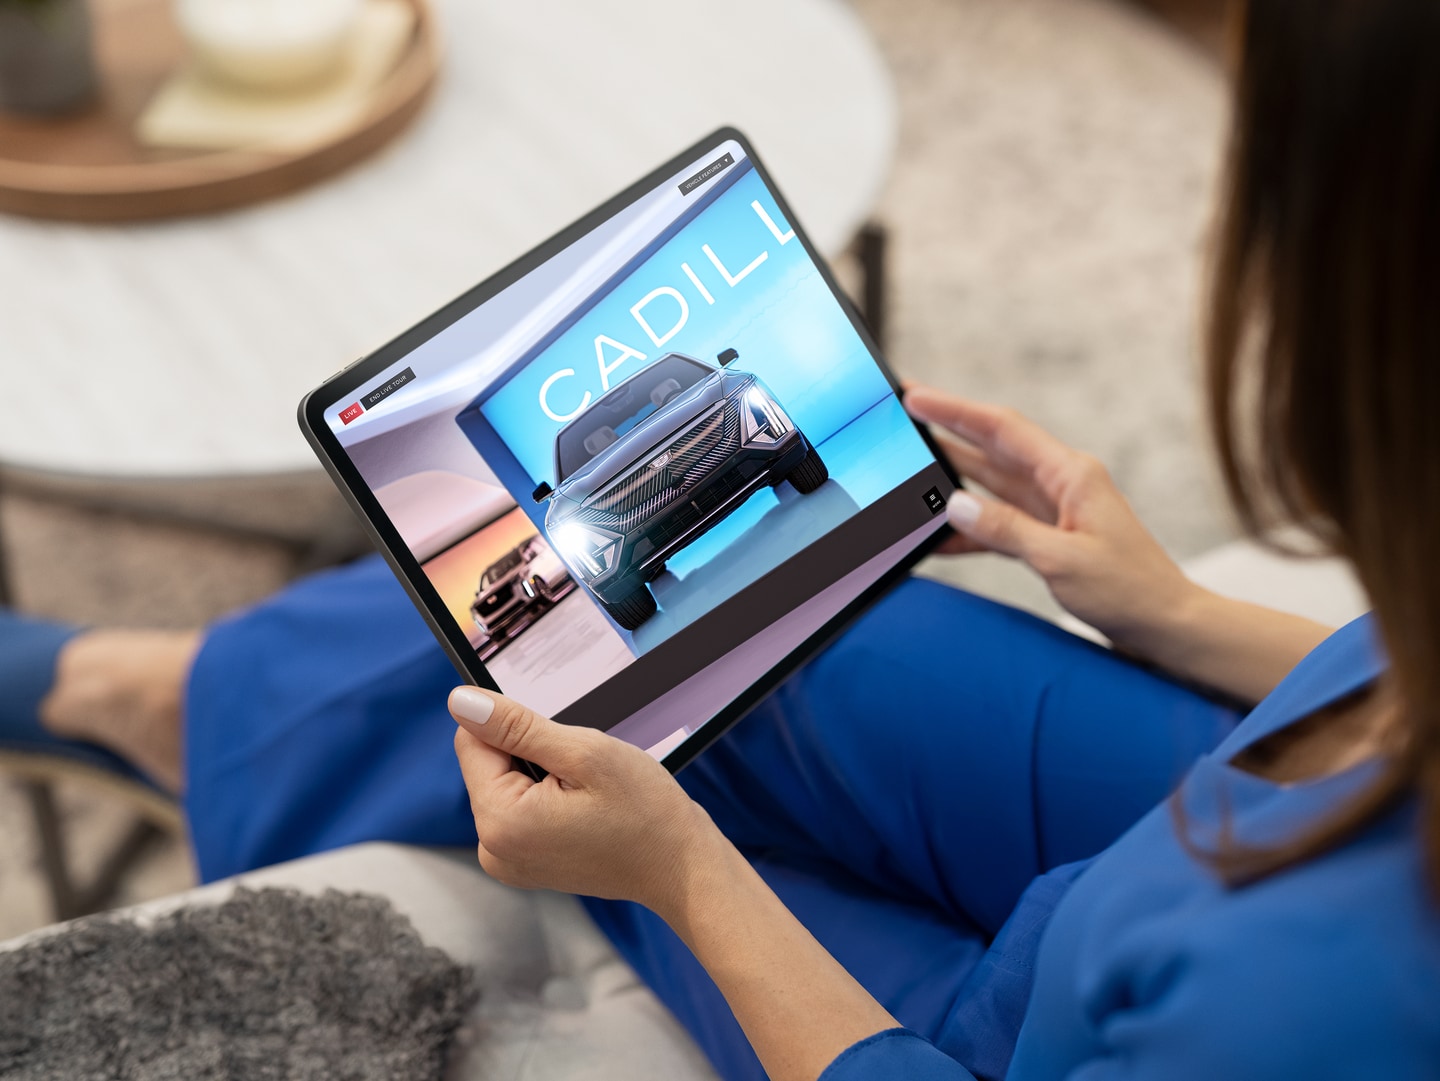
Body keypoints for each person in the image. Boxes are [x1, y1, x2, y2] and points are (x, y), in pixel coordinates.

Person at [3, 0, 1438, 1076]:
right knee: (761, 643)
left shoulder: (1297, 1011)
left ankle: (141, 697)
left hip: (1058, 1021)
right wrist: (1177, 610)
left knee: (615, 747)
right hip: (1319, 762)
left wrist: (683, 872)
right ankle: (157, 693)